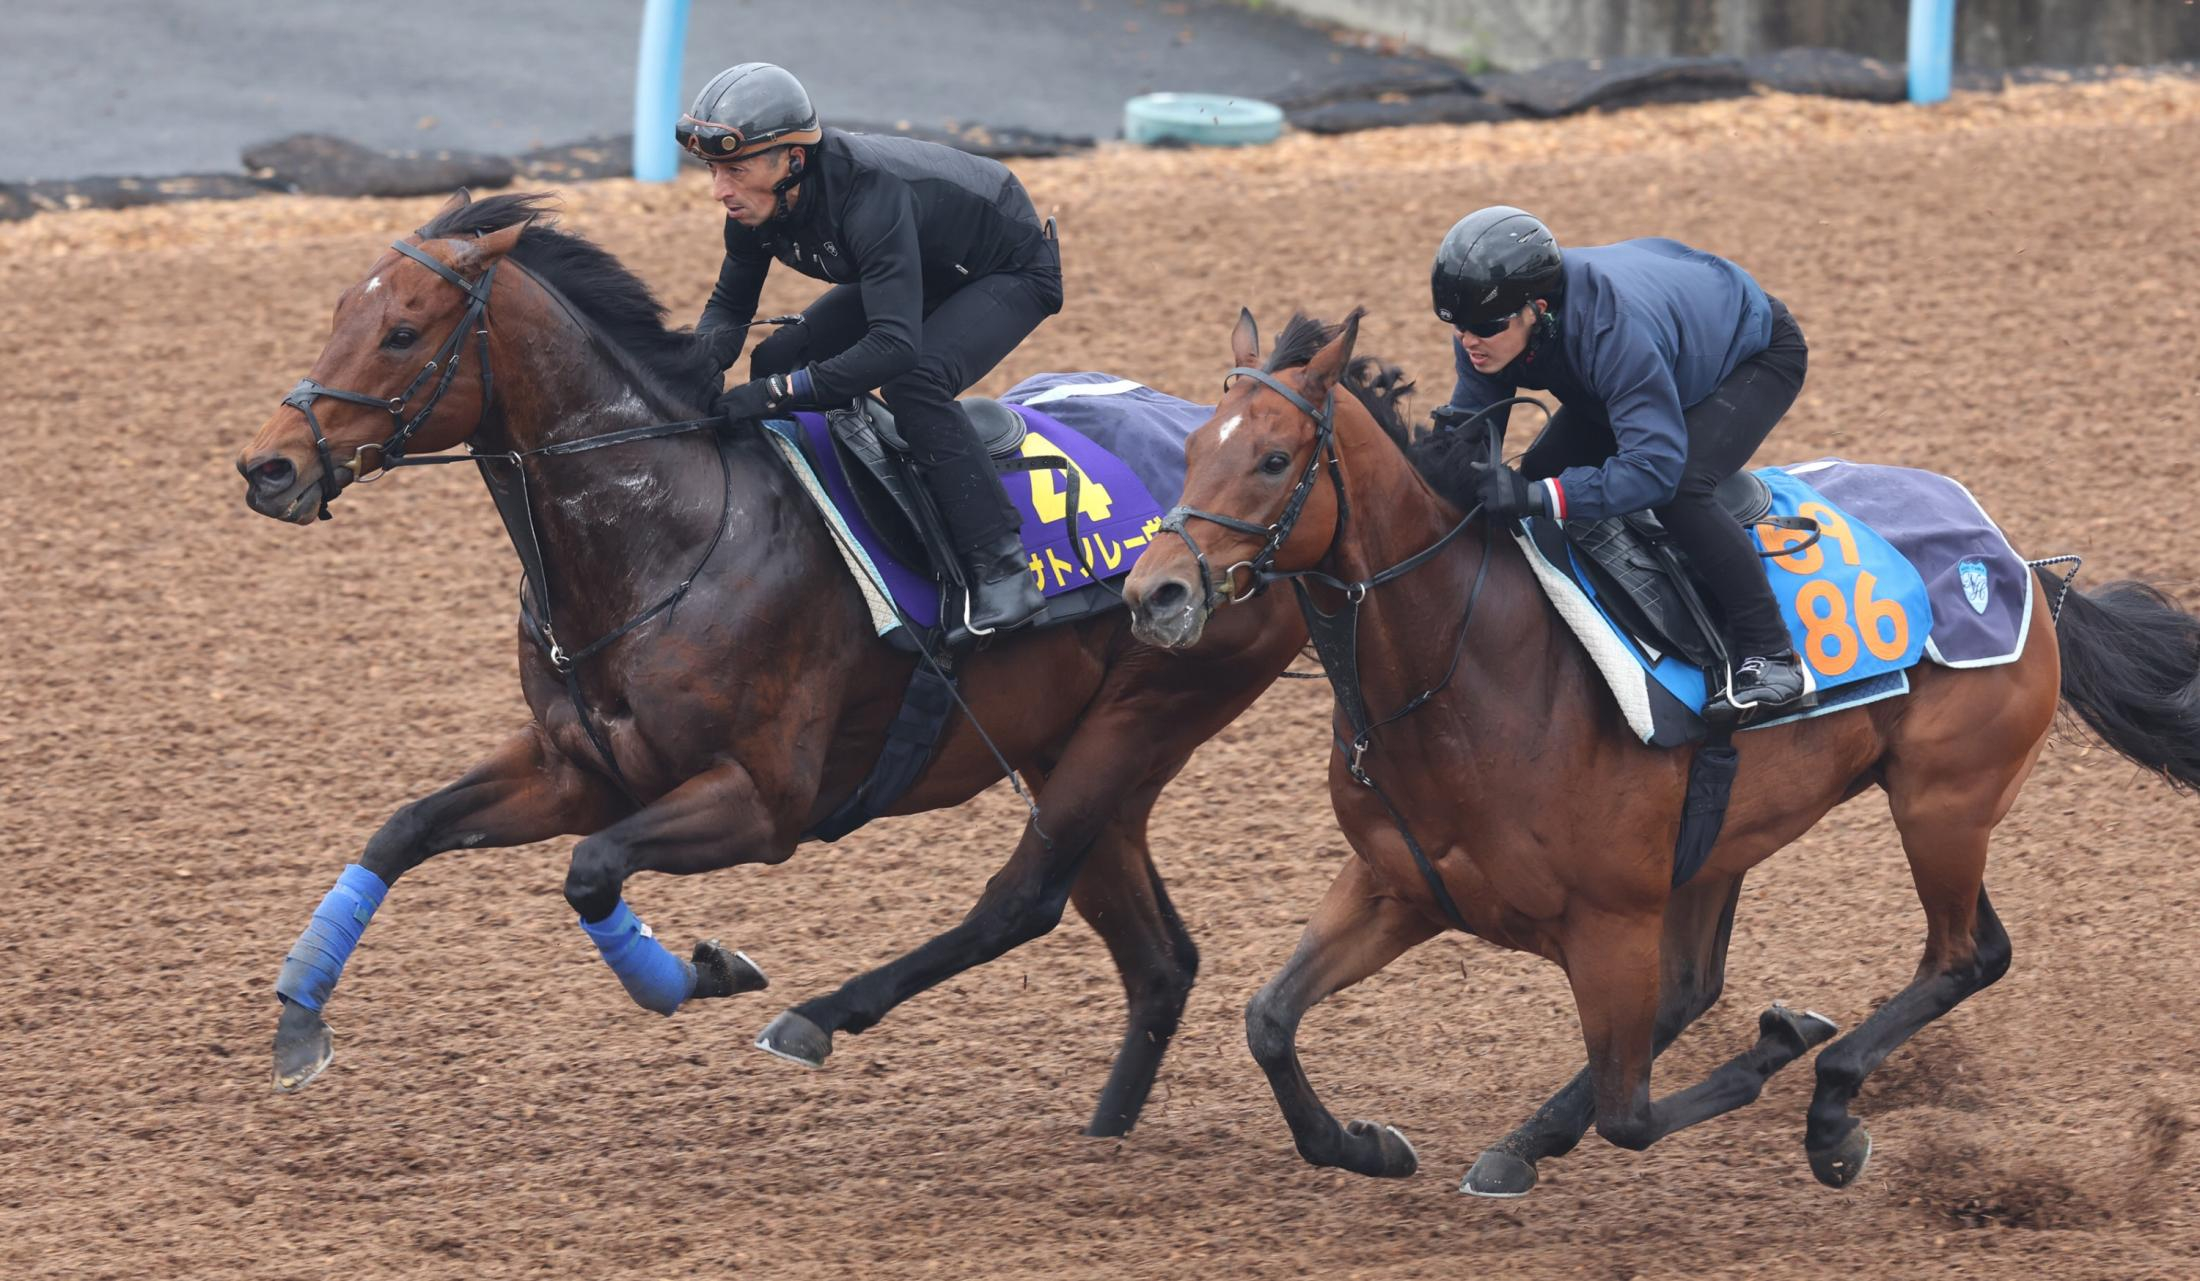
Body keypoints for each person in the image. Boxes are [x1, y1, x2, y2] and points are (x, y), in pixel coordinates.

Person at [681, 62, 1060, 635]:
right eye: (713, 169)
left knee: (914, 382)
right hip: (923, 262)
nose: (720, 190)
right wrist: (687, 379)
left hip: (1006, 268)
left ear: (794, 160)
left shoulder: (869, 196)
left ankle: (1002, 568)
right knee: (777, 359)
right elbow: (730, 310)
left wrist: (777, 395)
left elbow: (893, 347)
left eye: (735, 168)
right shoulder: (753, 208)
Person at [1431, 205, 1811, 711]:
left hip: (1751, 356)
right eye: (1456, 327)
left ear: (1537, 308)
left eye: (1485, 326)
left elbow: (1654, 468)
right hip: (1645, 350)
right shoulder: (1484, 331)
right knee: (1539, 478)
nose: (1469, 341)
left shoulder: (1609, 328)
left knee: (1681, 490)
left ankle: (1774, 654)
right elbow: (1470, 438)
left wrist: (1537, 496)